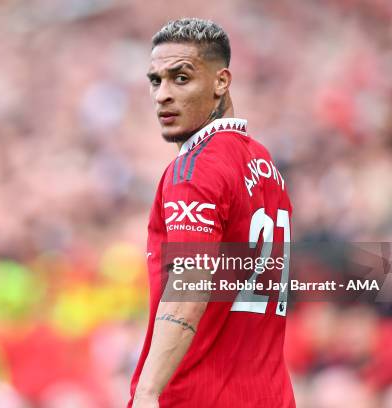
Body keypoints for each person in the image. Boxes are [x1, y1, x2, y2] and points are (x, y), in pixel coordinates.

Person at [128, 18, 295, 407]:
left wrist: (149, 392)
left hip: (199, 395)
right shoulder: (264, 164)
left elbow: (191, 282)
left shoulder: (195, 169)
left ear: (221, 82)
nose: (162, 95)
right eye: (156, 81)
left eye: (181, 78)